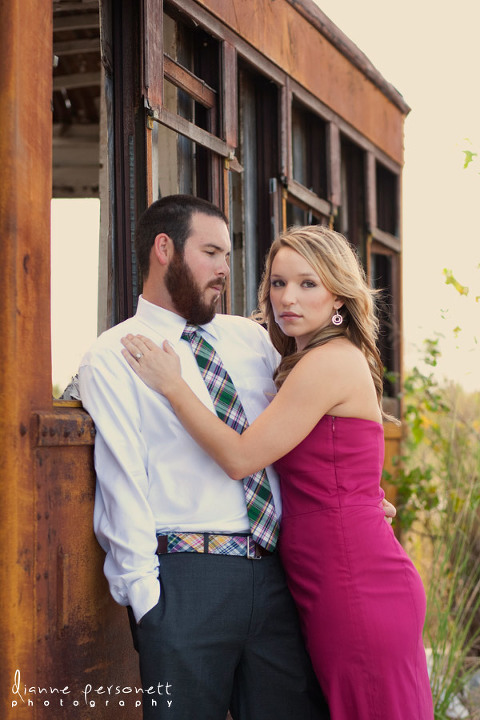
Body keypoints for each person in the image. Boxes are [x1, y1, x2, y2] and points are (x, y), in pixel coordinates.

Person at [121, 224, 434, 720]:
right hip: (323, 573)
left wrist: (172, 386)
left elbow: (242, 459)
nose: (288, 297)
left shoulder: (329, 361)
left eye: (308, 284)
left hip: (351, 578)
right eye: (277, 282)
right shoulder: (298, 358)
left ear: (339, 294)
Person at [78, 195, 330, 720]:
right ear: (164, 249)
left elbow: (296, 438)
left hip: (279, 576)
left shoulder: (253, 340)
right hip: (186, 583)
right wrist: (148, 602)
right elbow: (121, 480)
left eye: (227, 255)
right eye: (211, 252)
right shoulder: (115, 353)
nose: (224, 270)